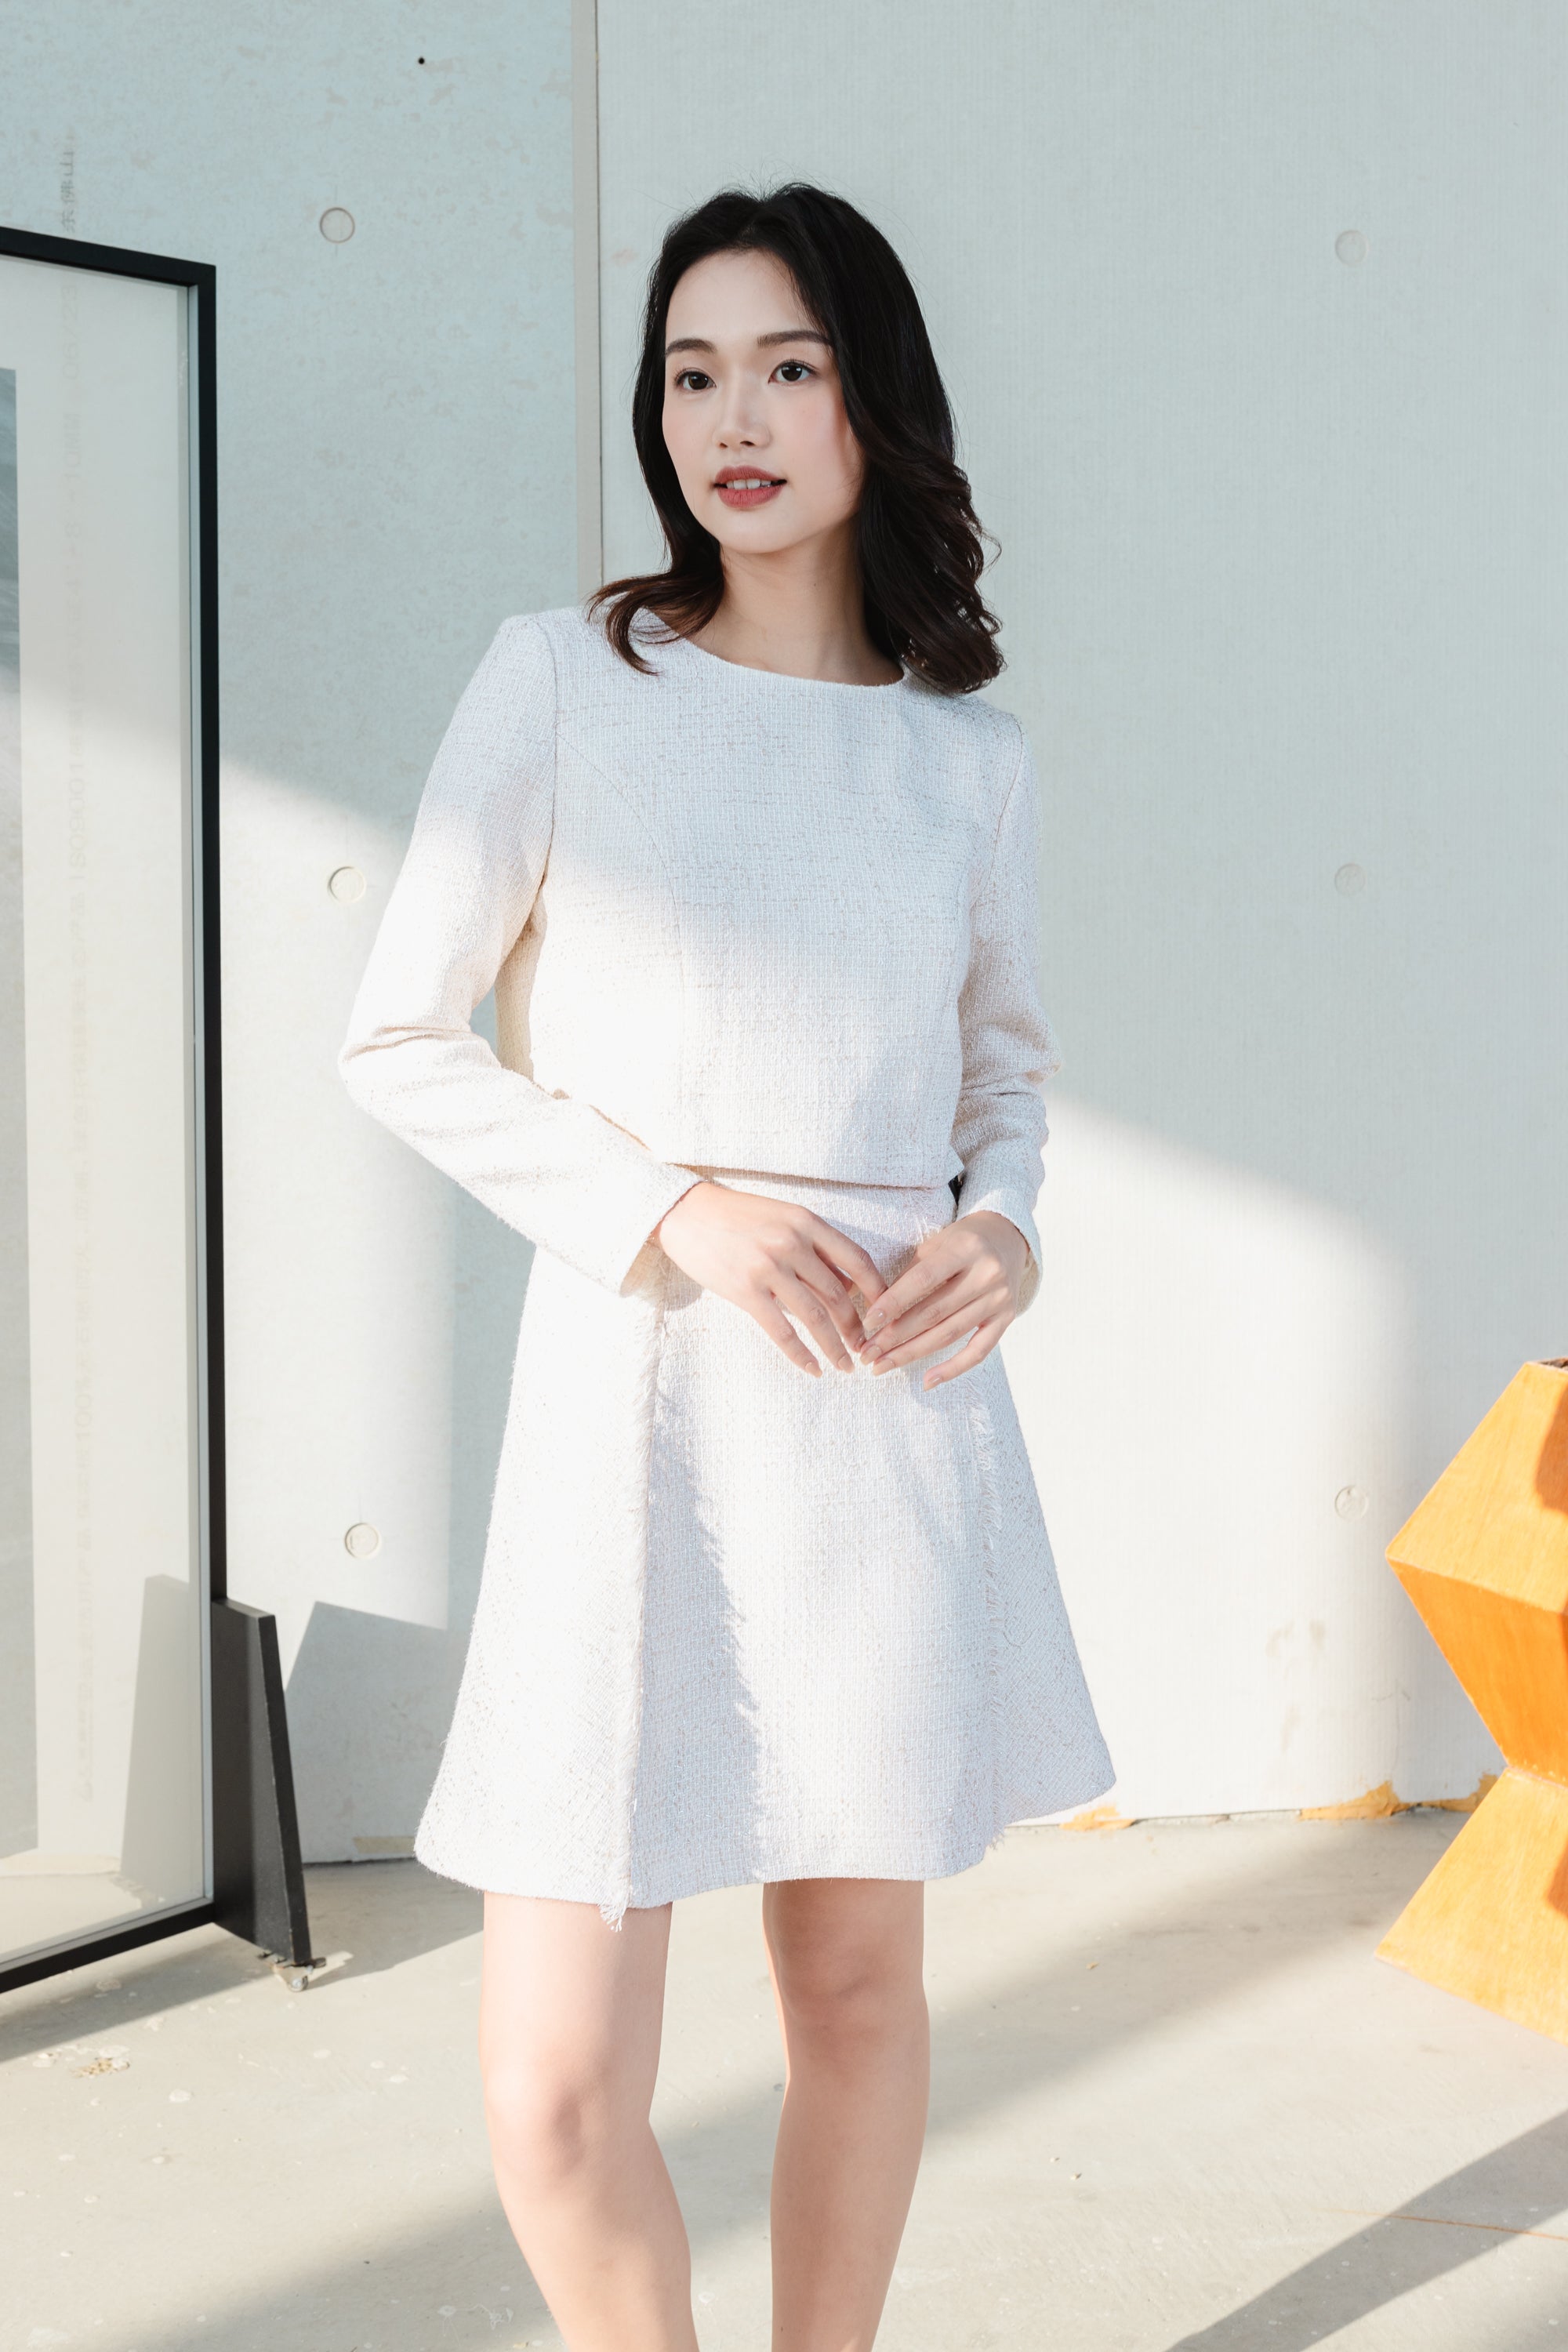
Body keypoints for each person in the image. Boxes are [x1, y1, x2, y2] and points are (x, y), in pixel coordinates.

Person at [338, 180, 1112, 2352]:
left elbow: (1007, 1077)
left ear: (877, 401)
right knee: (556, 2086)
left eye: (786, 366)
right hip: (637, 1404)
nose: (732, 420)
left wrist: (1003, 1229)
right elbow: (397, 1037)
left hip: (882, 1414)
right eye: (692, 374)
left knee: (853, 1993)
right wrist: (667, 1205)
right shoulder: (563, 682)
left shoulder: (965, 758)